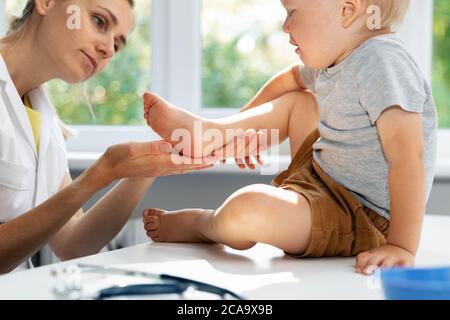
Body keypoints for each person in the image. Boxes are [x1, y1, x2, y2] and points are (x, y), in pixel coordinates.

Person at [142, 0, 438, 275]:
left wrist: (400, 245)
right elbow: (290, 79)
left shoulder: (383, 60)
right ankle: (213, 133)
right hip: (322, 178)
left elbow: (407, 157)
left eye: (292, 12)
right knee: (300, 100)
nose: (284, 26)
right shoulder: (337, 58)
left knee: (246, 207)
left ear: (347, 10)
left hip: (359, 215)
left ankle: (203, 223)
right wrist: (238, 130)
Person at [0, 0, 216, 274]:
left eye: (117, 44)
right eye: (99, 21)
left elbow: (73, 244)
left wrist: (144, 169)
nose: (107, 50)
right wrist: (101, 172)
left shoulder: (42, 116)